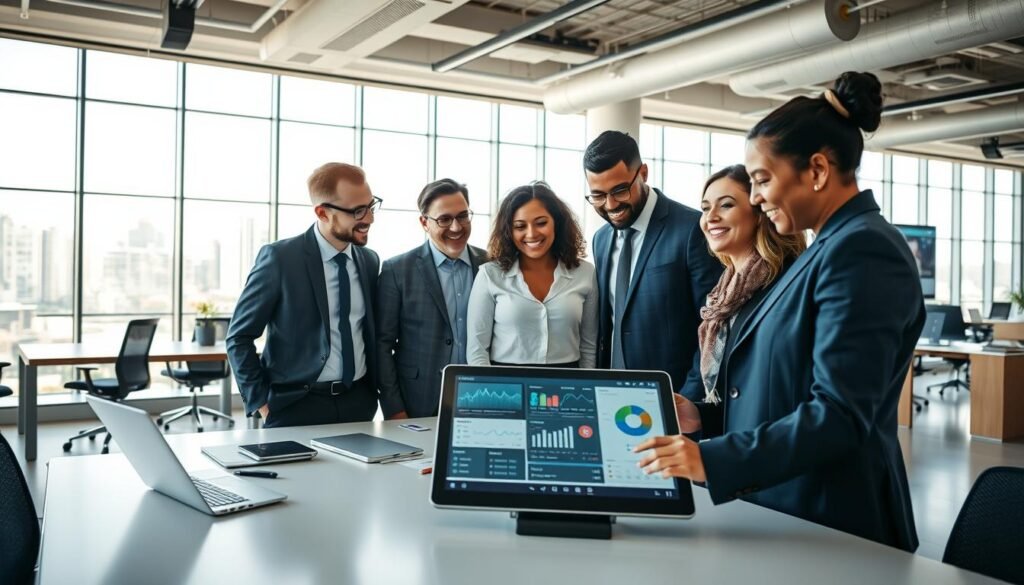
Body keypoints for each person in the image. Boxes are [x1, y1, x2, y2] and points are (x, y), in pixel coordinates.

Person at [634, 72, 925, 552]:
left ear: (816, 170)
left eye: (762, 179)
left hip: (835, 523)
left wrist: (713, 460)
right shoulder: (826, 249)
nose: (755, 197)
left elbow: (839, 414)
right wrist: (705, 418)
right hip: (791, 508)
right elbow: (780, 390)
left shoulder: (863, 251)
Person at [227, 162, 383, 428]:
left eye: (370, 205)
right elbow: (239, 337)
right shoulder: (280, 259)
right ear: (323, 213)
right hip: (296, 406)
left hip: (358, 405)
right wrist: (262, 403)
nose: (369, 218)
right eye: (357, 211)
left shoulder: (369, 261)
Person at [584, 131, 722, 400]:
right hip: (611, 396)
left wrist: (691, 398)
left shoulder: (691, 229)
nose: (610, 205)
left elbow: (714, 328)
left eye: (620, 190)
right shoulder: (601, 239)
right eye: (598, 195)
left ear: (643, 173)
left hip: (672, 399)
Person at [695, 164, 805, 405]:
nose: (710, 216)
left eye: (726, 205)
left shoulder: (786, 284)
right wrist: (698, 414)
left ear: (760, 212)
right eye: (705, 208)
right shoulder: (724, 292)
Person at [376, 179, 487, 419]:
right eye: (444, 219)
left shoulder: (491, 265)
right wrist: (394, 408)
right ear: (424, 222)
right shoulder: (398, 270)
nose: (456, 227)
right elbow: (382, 345)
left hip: (482, 396)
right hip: (418, 399)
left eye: (463, 216)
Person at [467, 182, 597, 368]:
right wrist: (490, 393)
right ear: (509, 232)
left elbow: (588, 347)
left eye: (541, 223)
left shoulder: (585, 273)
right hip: (505, 385)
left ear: (556, 223)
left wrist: (585, 387)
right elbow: (477, 350)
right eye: (520, 226)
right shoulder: (489, 275)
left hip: (568, 384)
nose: (531, 234)